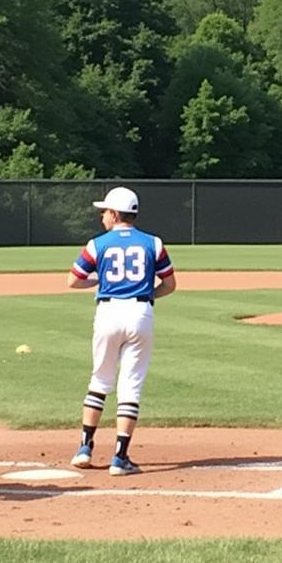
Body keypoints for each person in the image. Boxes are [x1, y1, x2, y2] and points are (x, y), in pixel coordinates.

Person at [67, 186, 176, 476]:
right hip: (141, 312)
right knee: (131, 385)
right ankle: (120, 458)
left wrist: (98, 282)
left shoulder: (97, 244)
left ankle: (84, 448)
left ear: (115, 214)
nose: (102, 216)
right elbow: (170, 284)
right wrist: (146, 294)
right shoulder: (153, 243)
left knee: (100, 379)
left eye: (104, 211)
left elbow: (73, 280)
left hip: (108, 311)